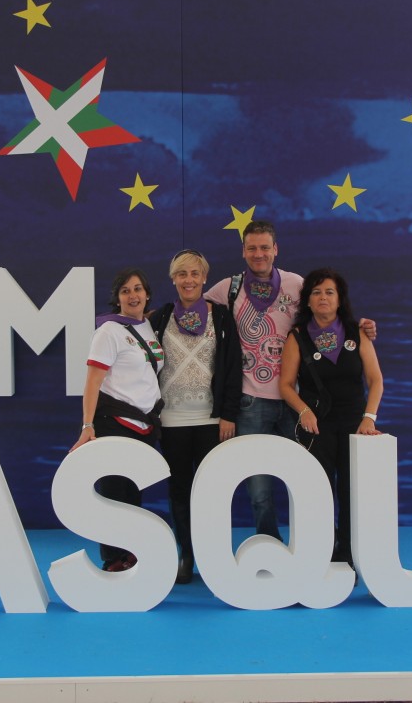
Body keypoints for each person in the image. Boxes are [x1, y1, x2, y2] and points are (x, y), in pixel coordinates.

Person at [204, 220, 377, 541]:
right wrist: (140, 320)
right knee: (259, 487)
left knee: (311, 476)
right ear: (243, 251)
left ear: (276, 249)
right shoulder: (227, 288)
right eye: (252, 248)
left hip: (297, 402)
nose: (259, 254)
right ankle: (268, 543)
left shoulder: (296, 284)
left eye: (264, 247)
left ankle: (318, 541)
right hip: (250, 402)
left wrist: (363, 327)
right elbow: (190, 311)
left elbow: (327, 315)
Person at [278, 268, 383, 565]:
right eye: (316, 292)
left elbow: (375, 380)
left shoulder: (357, 332)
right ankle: (322, 551)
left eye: (329, 292)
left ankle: (347, 553)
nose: (322, 297)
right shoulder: (298, 336)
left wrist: (369, 417)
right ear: (307, 301)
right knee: (319, 491)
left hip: (355, 426)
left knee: (351, 491)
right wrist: (304, 411)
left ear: (339, 299)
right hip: (317, 427)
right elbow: (285, 385)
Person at [151, 250, 241, 584]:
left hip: (211, 421)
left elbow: (232, 367)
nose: (188, 280)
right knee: (179, 489)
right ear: (173, 279)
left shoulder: (221, 317)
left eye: (194, 274)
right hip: (172, 420)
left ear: (204, 278)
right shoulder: (160, 317)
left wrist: (228, 414)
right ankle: (186, 554)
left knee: (211, 490)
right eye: (182, 274)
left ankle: (213, 555)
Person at [71, 268, 164, 572]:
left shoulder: (147, 326)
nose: (132, 295)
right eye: (125, 291)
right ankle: (113, 559)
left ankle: (131, 553)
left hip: (144, 426)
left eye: (137, 289)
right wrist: (87, 426)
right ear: (117, 298)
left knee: (132, 493)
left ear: (147, 294)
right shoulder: (108, 332)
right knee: (114, 494)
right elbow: (92, 382)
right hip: (115, 423)